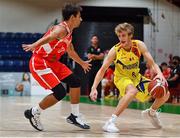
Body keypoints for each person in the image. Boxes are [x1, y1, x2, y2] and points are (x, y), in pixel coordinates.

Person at [22, 3, 91, 131]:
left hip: (53, 62)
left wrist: (82, 62)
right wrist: (34, 45)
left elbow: (71, 52)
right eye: (79, 16)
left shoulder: (69, 33)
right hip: (40, 62)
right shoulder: (61, 29)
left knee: (75, 82)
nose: (81, 19)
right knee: (60, 92)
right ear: (72, 18)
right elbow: (50, 37)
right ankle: (34, 112)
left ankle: (74, 116)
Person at [90, 23, 170, 133]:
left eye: (123, 35)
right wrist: (94, 87)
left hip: (136, 78)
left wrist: (160, 75)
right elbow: (102, 70)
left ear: (130, 35)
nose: (121, 38)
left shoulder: (139, 45)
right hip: (121, 78)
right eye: (119, 36)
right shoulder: (115, 50)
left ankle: (151, 113)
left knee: (165, 93)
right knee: (132, 91)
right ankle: (110, 122)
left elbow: (152, 63)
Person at [87, 35, 104, 101]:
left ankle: (99, 96)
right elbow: (89, 57)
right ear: (91, 40)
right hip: (90, 67)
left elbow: (102, 57)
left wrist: (94, 56)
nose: (95, 40)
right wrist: (97, 56)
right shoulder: (89, 48)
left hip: (98, 68)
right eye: (93, 39)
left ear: (97, 40)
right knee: (90, 81)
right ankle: (90, 96)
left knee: (98, 81)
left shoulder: (100, 48)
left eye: (96, 39)